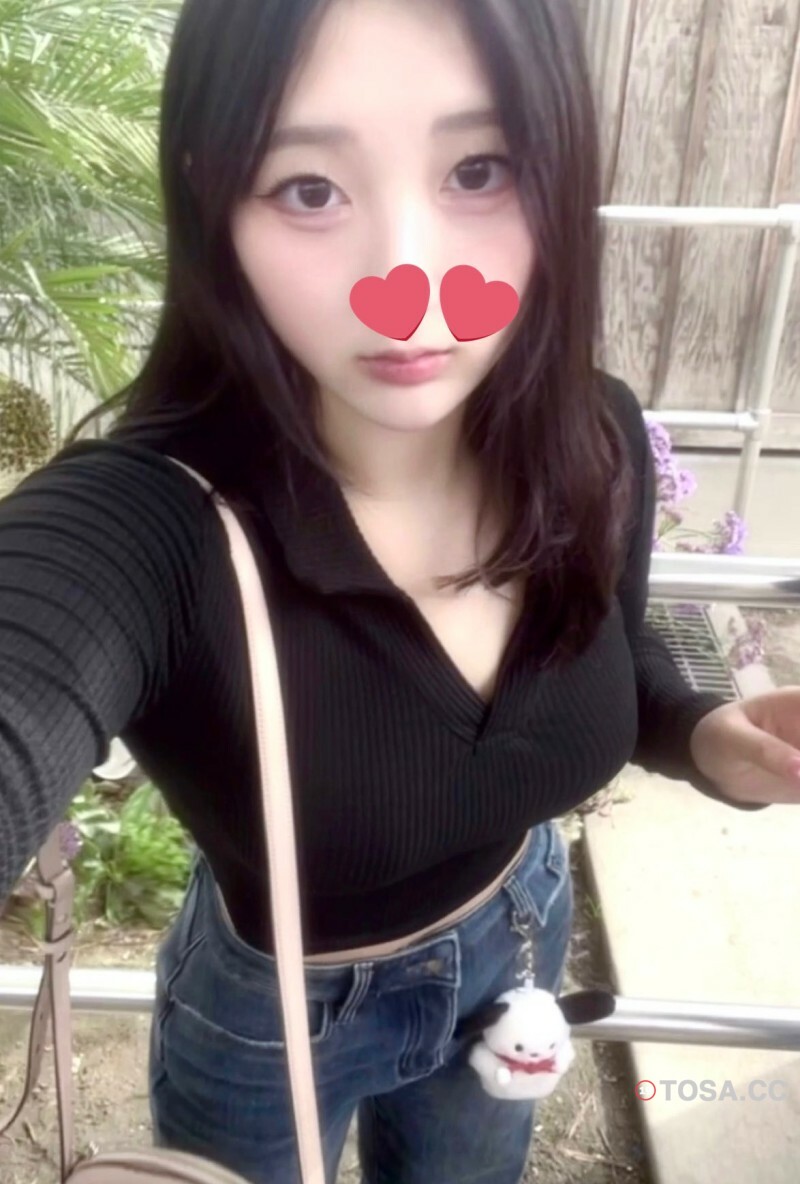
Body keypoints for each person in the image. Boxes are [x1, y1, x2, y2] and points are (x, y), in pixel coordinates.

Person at [0, 1, 777, 1182]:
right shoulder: (152, 526)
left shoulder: (594, 439)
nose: (404, 277)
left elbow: (612, 644)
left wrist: (705, 736)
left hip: (516, 947)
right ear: (214, 199)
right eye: (308, 188)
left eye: (477, 170)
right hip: (276, 1011)